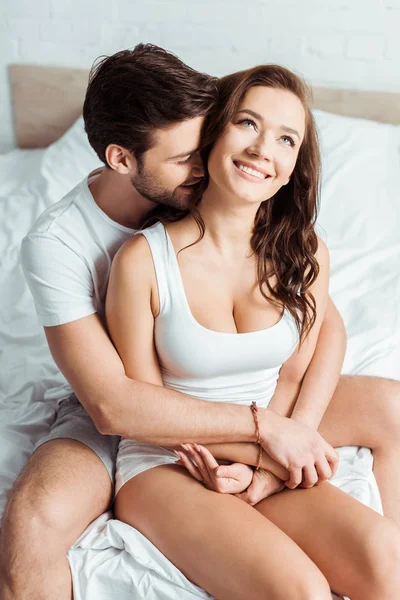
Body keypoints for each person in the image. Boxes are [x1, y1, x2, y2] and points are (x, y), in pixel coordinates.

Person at [0, 44, 399, 600]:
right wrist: (265, 438)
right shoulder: (100, 253)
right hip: (147, 437)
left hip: (250, 429)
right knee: (300, 590)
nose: (257, 152)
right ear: (124, 159)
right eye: (244, 126)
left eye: (287, 138)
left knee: (388, 559)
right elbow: (122, 405)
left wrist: (275, 459)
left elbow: (315, 336)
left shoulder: (292, 244)